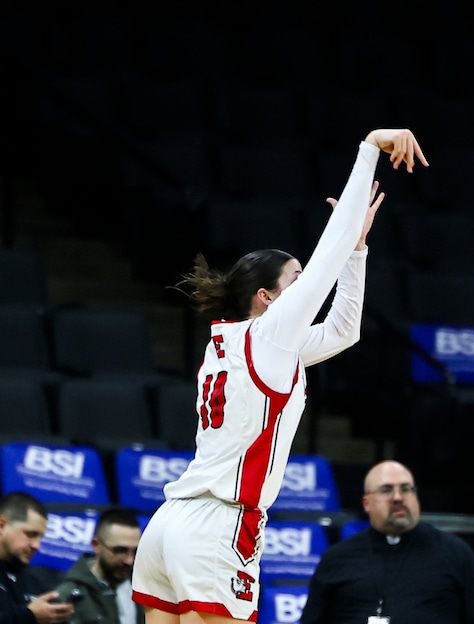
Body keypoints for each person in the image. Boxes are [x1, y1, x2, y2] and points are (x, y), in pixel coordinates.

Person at [132, 129, 428, 624]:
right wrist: (369, 149)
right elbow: (326, 258)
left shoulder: (233, 342)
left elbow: (343, 330)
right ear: (267, 297)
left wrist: (357, 251)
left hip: (169, 524)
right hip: (216, 524)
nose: (304, 281)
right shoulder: (269, 338)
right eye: (295, 277)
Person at [299, 460, 474, 624]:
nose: (398, 498)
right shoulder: (337, 558)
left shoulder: (455, 553)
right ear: (366, 503)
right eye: (386, 490)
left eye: (406, 489)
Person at [54, 508, 143, 624]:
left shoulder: (142, 587)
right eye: (120, 550)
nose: (129, 561)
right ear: (96, 545)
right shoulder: (68, 597)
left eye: (135, 551)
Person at [0, 492, 75, 624]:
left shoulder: (33, 582)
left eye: (40, 537)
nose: (37, 546)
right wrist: (30, 616)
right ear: (2, 525)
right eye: (30, 534)